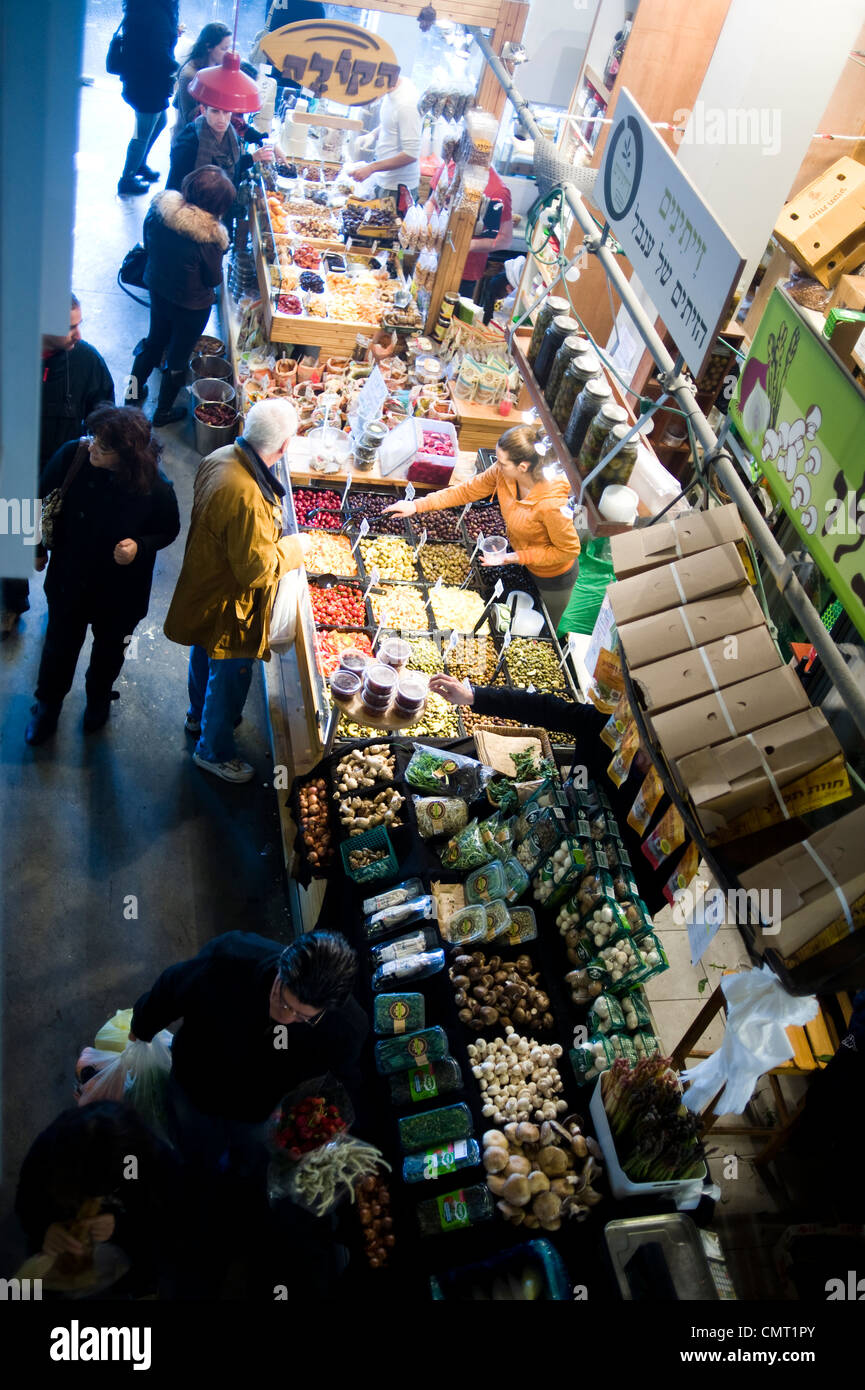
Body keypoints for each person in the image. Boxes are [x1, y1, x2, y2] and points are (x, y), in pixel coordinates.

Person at [128, 931, 367, 1174]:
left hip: (261, 1108)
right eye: (282, 1000)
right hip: (196, 1083)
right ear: (282, 966)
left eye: (302, 1016)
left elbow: (343, 1078)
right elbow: (171, 987)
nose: (285, 1016)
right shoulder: (229, 959)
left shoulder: (346, 1028)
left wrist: (323, 1126)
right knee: (194, 1147)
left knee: (251, 1157)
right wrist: (142, 1026)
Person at [427, 676, 669, 914]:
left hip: (593, 881)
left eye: (653, 749)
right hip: (552, 829)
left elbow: (661, 881)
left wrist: (630, 909)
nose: (640, 749)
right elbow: (547, 708)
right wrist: (474, 696)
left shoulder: (671, 809)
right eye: (638, 729)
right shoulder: (610, 726)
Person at [163, 398, 310, 783]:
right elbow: (257, 571)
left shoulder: (223, 456)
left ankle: (198, 716)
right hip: (233, 605)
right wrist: (296, 548)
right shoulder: (248, 497)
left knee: (204, 652)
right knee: (229, 673)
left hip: (206, 586)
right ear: (283, 447)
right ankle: (213, 751)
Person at [25, 407, 180, 746]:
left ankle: (98, 698)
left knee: (111, 649)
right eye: (94, 438)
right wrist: (36, 547)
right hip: (70, 578)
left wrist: (140, 546)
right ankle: (47, 706)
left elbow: (169, 529)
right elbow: (34, 499)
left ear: (128, 456)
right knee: (59, 648)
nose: (93, 447)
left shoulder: (155, 487)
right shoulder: (74, 456)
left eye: (104, 447)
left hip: (121, 591)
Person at [386, 422, 581, 626]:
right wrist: (417, 505)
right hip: (520, 555)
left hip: (552, 578)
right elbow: (466, 491)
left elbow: (567, 551)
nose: (497, 465)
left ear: (522, 467)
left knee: (535, 627)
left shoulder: (552, 505)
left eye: (502, 462)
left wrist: (514, 557)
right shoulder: (502, 473)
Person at [1, 295, 114, 638]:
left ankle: (61, 608)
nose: (78, 334)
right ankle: (12, 603)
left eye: (79, 323)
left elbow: (104, 410)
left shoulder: (86, 361)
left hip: (67, 480)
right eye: (69, 327)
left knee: (67, 552)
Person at [14, 1102, 180, 1299]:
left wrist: (120, 1224)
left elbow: (167, 1223)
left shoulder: (147, 1157)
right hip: (61, 1252)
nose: (95, 1200)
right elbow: (26, 1202)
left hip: (133, 1250)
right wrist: (45, 1229)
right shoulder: (50, 1149)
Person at [127, 166, 235, 426]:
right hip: (191, 306)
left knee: (152, 342)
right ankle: (163, 412)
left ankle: (131, 395)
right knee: (177, 357)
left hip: (158, 288)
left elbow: (147, 243)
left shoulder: (159, 211)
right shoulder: (209, 238)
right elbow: (213, 280)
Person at [115, 0, 181, 195]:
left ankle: (139, 164)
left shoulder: (145, 7)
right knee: (143, 131)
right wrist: (180, 70)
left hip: (140, 78)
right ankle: (126, 179)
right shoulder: (157, 13)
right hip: (148, 83)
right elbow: (159, 55)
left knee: (160, 121)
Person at [431, 159, 514, 299]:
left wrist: (466, 244)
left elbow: (505, 239)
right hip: (431, 258)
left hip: (463, 271)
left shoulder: (498, 191)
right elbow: (432, 202)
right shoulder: (451, 165)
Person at [167, 105, 272, 196]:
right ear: (204, 110)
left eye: (226, 112)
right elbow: (175, 188)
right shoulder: (188, 144)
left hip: (222, 204)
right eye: (215, 111)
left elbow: (233, 167)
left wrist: (253, 157)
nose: (221, 119)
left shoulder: (232, 134)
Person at [347, 76, 422, 203]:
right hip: (384, 179)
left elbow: (411, 154)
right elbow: (392, 123)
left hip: (396, 190)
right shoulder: (392, 90)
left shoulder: (407, 105)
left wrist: (371, 168)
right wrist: (373, 135)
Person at [171, 22, 232, 140]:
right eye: (224, 48)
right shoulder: (190, 74)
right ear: (209, 47)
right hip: (190, 142)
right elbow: (189, 118)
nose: (228, 53)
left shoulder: (218, 66)